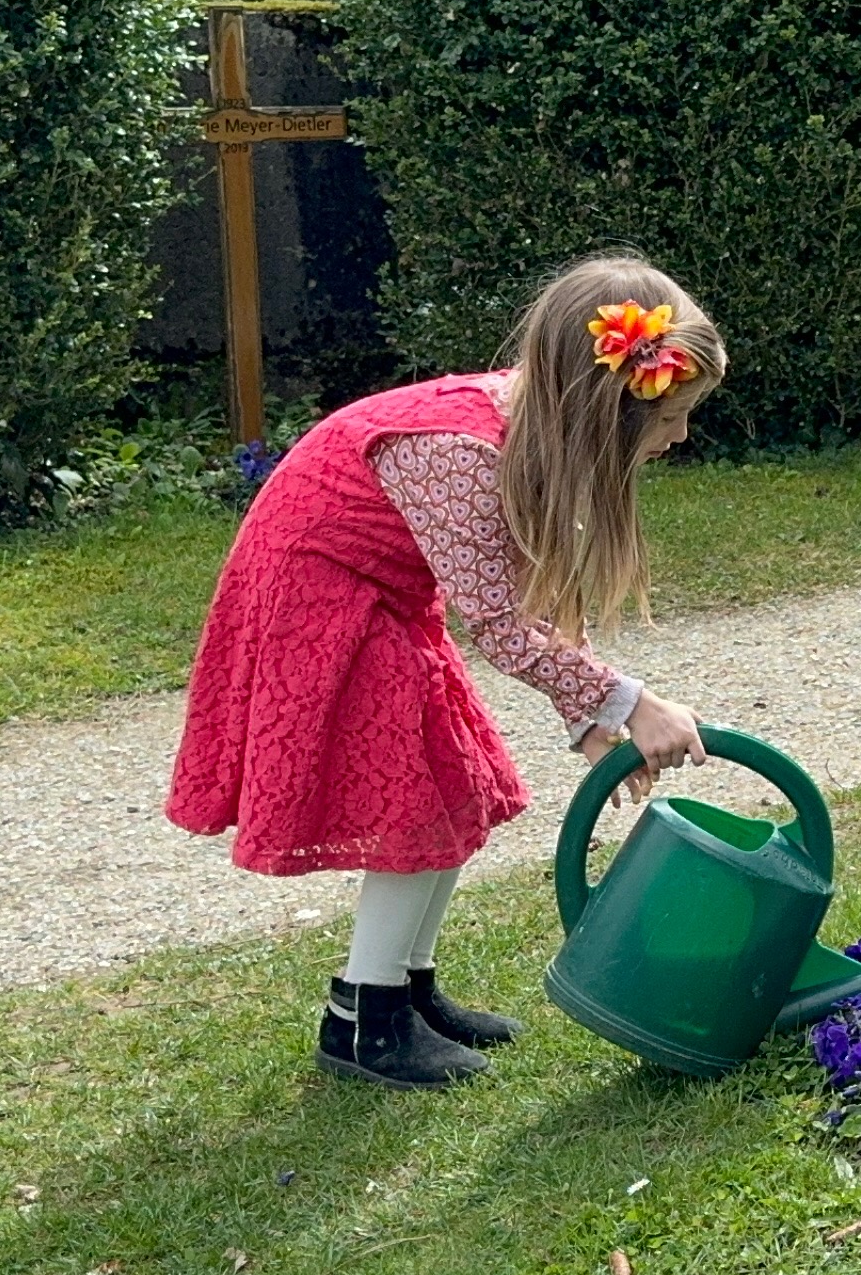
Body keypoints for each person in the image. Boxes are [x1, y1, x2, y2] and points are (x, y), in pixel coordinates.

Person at [168, 256, 720, 1087]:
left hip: (384, 597)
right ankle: (364, 1022)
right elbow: (499, 624)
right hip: (322, 599)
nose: (679, 437)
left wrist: (587, 716)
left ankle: (406, 988)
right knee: (413, 803)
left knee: (451, 786)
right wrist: (630, 703)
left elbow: (513, 602)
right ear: (601, 407)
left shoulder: (520, 423)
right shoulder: (459, 453)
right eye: (671, 416)